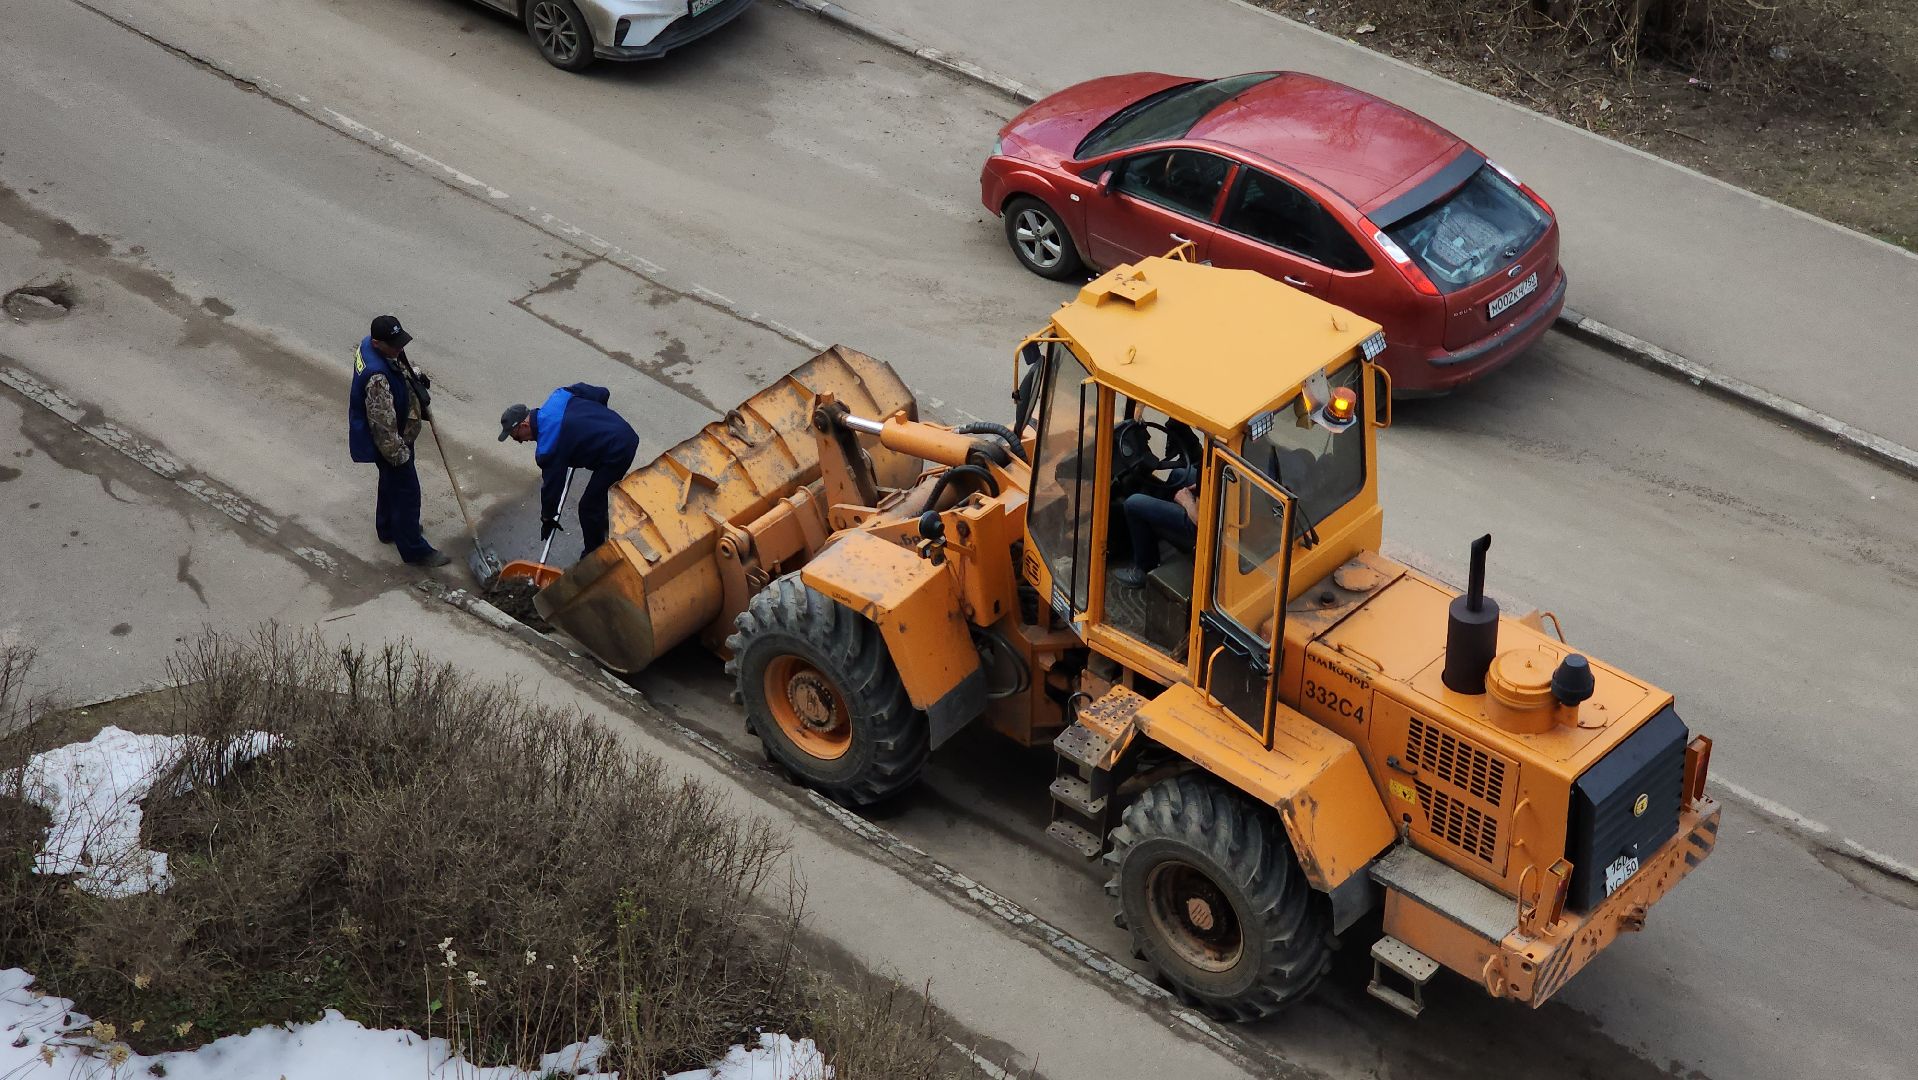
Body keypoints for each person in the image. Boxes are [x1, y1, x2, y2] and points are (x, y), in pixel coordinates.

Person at [347, 314, 449, 567]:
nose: (400, 348)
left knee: (390, 484)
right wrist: (399, 456)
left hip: (395, 437)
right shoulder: (377, 379)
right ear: (377, 343)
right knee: (407, 493)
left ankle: (388, 528)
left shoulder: (374, 349)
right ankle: (414, 550)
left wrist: (412, 376)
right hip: (392, 444)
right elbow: (383, 426)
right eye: (394, 344)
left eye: (400, 342)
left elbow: (395, 363)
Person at [498, 384, 640, 558]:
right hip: (623, 430)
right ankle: (601, 522)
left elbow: (552, 488)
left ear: (524, 425)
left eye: (516, 437)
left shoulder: (548, 446)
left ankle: (594, 556)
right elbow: (602, 393)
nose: (520, 442)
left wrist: (547, 518)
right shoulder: (559, 396)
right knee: (598, 493)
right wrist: (594, 423)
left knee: (588, 508)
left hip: (618, 451)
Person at [1112, 467, 1200, 589]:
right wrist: (1202, 484)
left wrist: (1187, 502)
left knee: (1133, 504)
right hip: (1220, 497)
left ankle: (1144, 569)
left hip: (1204, 524)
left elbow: (1199, 520)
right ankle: (1159, 522)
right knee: (1178, 474)